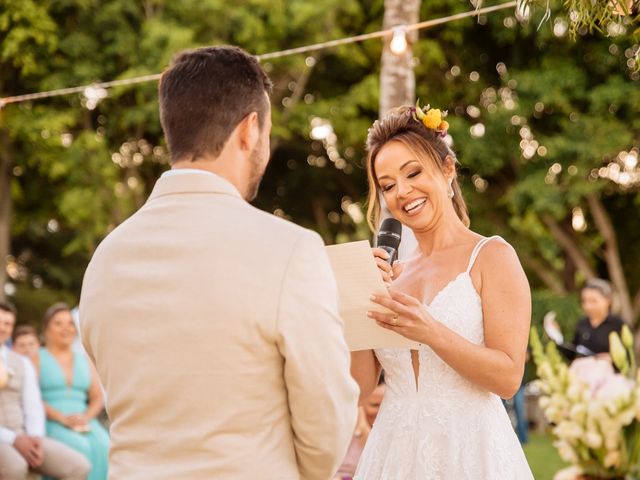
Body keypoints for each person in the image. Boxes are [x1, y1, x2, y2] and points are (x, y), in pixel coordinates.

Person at [79, 45, 359, 480]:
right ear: (249, 130)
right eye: (265, 133)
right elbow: (326, 428)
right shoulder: (289, 249)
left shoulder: (105, 259)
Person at [351, 104, 533, 478]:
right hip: (393, 454)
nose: (402, 192)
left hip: (471, 453)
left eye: (412, 173)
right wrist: (354, 299)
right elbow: (361, 388)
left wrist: (431, 331)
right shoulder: (388, 275)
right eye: (387, 185)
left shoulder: (492, 256)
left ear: (447, 169)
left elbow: (508, 378)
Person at [0, 301, 91, 480]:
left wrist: (35, 438)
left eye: (7, 324)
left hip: (24, 434)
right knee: (16, 467)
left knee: (79, 466)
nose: (2, 328)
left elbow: (33, 405)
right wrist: (13, 439)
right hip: (4, 437)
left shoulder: (22, 362)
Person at [39, 303, 109, 480]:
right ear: (47, 328)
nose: (66, 328)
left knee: (105, 444)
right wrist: (61, 418)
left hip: (83, 419)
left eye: (70, 323)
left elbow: (97, 397)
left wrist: (86, 417)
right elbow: (31, 398)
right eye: (58, 323)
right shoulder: (36, 356)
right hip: (51, 419)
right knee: (79, 446)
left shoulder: (84, 359)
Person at [572, 278, 624, 357]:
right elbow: (572, 352)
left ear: (608, 300)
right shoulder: (582, 324)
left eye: (593, 301)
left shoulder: (618, 325)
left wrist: (610, 358)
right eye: (584, 301)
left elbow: (628, 358)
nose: (588, 306)